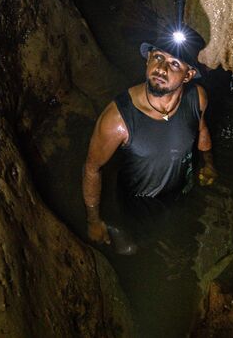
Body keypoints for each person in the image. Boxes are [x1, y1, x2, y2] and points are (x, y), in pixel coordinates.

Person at [82, 25, 217, 247]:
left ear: (188, 75)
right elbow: (92, 168)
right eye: (158, 57)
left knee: (183, 239)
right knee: (136, 246)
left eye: (174, 64)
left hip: (182, 189)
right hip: (139, 202)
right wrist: (93, 220)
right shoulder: (118, 119)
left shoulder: (197, 98)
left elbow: (202, 130)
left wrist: (209, 163)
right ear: (147, 60)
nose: (161, 68)